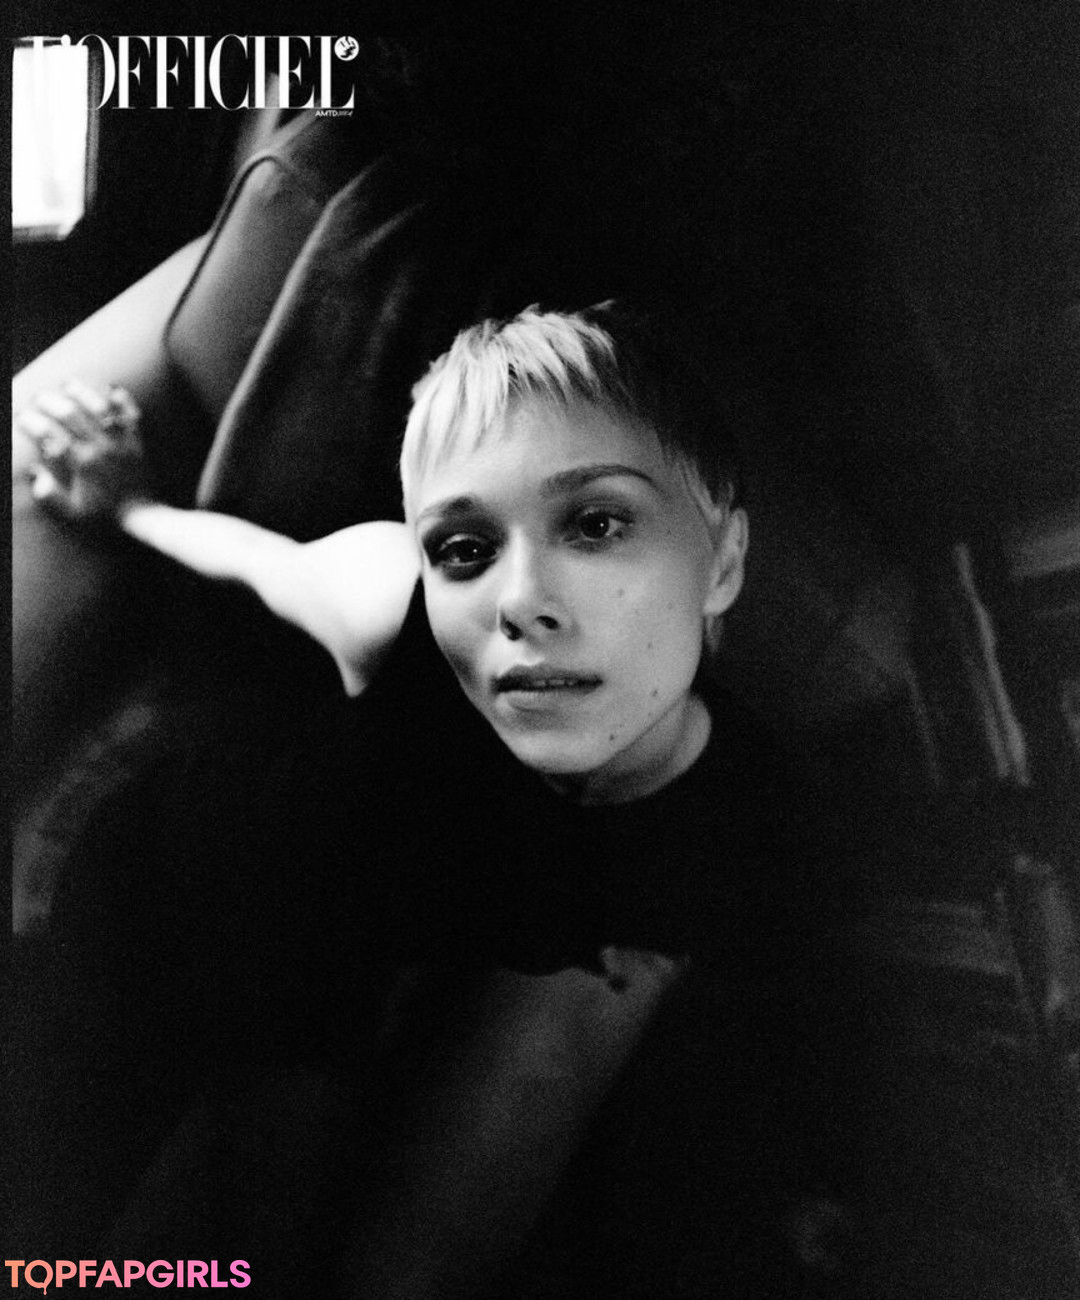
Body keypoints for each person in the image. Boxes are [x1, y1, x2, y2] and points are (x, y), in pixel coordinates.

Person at [16, 304, 853, 1297]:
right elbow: (264, 563)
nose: (520, 599)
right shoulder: (391, 605)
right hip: (222, 899)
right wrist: (128, 506)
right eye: (463, 548)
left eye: (596, 524)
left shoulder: (735, 829)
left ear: (723, 561)